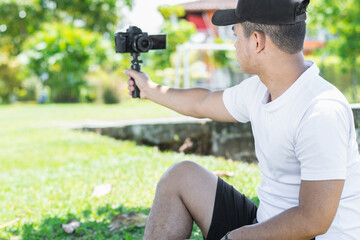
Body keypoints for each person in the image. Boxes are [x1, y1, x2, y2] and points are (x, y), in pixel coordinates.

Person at [124, 0, 360, 239]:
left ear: (257, 41)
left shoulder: (320, 111)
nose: (234, 44)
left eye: (236, 35)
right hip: (267, 223)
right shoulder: (259, 89)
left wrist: (236, 237)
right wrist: (149, 89)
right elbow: (202, 103)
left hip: (310, 234)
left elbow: (314, 220)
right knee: (181, 175)